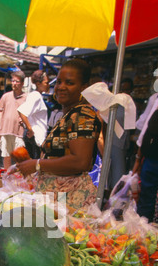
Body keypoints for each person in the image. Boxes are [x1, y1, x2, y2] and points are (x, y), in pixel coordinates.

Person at [16, 58, 102, 212]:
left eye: (69, 83)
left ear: (84, 87)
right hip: (57, 199)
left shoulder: (82, 115)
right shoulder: (71, 114)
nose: (61, 87)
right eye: (59, 82)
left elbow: (80, 161)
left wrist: (37, 164)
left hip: (68, 200)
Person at [132, 93, 158, 223]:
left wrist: (138, 158)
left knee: (147, 199)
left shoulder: (157, 98)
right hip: (153, 158)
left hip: (152, 158)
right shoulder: (157, 98)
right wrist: (138, 158)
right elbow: (146, 129)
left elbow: (143, 127)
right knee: (147, 199)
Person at [0, 71, 27, 169]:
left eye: (17, 81)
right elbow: (0, 113)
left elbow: (31, 114)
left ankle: (20, 178)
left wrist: (25, 119)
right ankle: (7, 177)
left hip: (19, 132)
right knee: (6, 156)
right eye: (13, 81)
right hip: (5, 131)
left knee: (20, 157)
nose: (14, 83)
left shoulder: (27, 98)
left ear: (22, 83)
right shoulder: (6, 96)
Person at [17, 70, 50, 159]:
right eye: (46, 82)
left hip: (34, 136)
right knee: (36, 166)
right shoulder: (36, 96)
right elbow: (22, 111)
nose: (48, 85)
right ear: (39, 83)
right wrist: (30, 129)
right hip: (36, 136)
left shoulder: (35, 95)